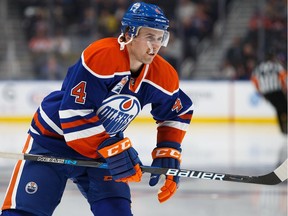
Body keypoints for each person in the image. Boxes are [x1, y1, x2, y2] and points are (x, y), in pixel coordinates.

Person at [1, 2, 193, 216]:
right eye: (149, 37)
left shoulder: (162, 74)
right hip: (52, 140)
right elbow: (74, 114)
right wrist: (113, 148)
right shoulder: (102, 56)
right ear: (129, 33)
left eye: (160, 38)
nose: (155, 46)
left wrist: (169, 148)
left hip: (101, 150)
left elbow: (178, 111)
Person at [251, 51, 287, 135]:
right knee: (284, 108)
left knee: (279, 109)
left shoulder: (259, 68)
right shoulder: (276, 66)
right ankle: (284, 127)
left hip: (266, 92)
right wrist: (285, 87)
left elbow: (254, 79)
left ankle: (282, 129)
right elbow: (283, 76)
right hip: (277, 90)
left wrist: (259, 90)